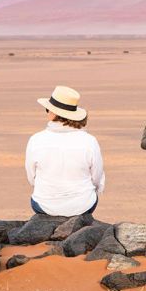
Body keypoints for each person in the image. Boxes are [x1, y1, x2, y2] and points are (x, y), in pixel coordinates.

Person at [26, 85, 105, 216]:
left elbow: (31, 178)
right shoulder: (89, 141)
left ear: (53, 114)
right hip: (84, 205)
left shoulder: (36, 139)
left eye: (48, 109)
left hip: (43, 205)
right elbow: (96, 177)